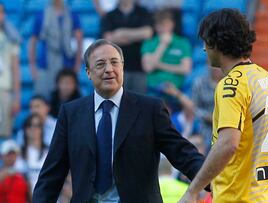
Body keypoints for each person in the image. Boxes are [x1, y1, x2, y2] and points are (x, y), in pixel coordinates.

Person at [32, 39, 206, 202]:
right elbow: (52, 174)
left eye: (114, 62)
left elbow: (182, 153)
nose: (109, 69)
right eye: (100, 64)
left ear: (122, 67)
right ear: (88, 73)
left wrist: (213, 178)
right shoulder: (71, 114)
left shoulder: (150, 109)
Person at [179, 9, 268, 203]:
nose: (203, 49)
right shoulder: (267, 79)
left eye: (206, 41)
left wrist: (193, 190)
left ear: (217, 43)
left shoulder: (230, 85)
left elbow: (228, 144)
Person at [28, 0, 83, 98]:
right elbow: (33, 42)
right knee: (44, 98)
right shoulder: (41, 15)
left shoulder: (72, 15)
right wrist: (33, 67)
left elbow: (79, 41)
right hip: (46, 65)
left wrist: (77, 65)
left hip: (67, 65)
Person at [101, 0, 153, 94]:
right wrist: (136, 36)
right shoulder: (109, 15)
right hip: (116, 69)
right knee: (119, 103)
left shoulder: (143, 12)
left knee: (139, 103)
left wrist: (121, 32)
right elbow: (108, 39)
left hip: (139, 67)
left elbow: (147, 33)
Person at [142, 9, 192, 97]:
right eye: (159, 25)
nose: (161, 28)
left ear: (172, 24)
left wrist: (159, 65)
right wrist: (162, 45)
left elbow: (186, 69)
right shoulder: (149, 43)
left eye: (165, 24)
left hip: (176, 92)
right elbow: (148, 68)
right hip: (154, 91)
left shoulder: (183, 43)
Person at [0, 2, 21, 138]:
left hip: (4, 90)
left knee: (4, 134)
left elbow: (15, 68)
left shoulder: (11, 36)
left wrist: (17, 98)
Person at [19, 113, 48, 192]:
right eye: (30, 125)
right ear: (25, 129)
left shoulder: (48, 152)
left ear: (42, 129)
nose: (33, 129)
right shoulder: (19, 153)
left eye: (37, 125)